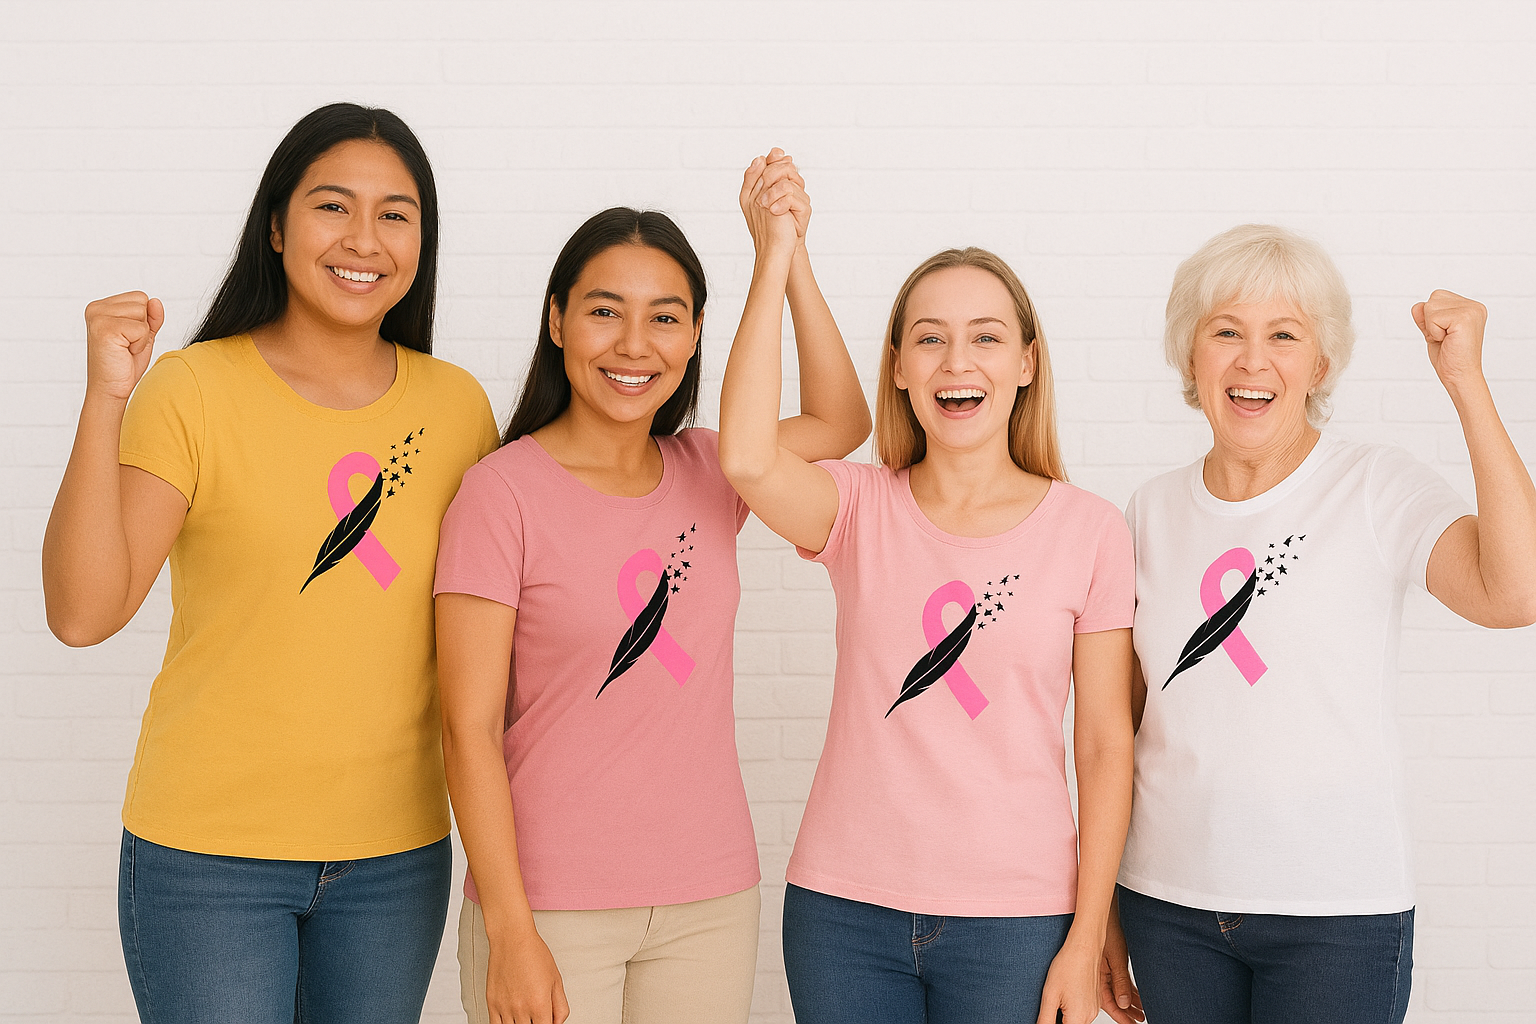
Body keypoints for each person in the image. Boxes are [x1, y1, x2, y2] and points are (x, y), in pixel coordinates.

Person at [41, 103, 499, 1024]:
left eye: (395, 214)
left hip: (395, 861)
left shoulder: (458, 410)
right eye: (333, 206)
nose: (363, 239)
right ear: (278, 226)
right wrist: (105, 399)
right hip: (208, 861)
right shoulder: (193, 389)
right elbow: (84, 613)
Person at [433, 160, 871, 1024]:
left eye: (665, 318)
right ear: (556, 320)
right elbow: (467, 729)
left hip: (709, 899)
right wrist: (512, 931)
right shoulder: (499, 493)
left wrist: (783, 254)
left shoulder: (711, 467)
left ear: (696, 335)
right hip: (550, 906)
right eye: (605, 312)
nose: (635, 345)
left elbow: (841, 420)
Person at [718, 153, 1136, 1024]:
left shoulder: (1090, 529)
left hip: (1019, 920)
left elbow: (1104, 746)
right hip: (842, 914)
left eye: (986, 336)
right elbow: (748, 457)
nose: (957, 360)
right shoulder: (856, 506)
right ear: (901, 366)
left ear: (1027, 362)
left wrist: (1090, 931)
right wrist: (780, 257)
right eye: (930, 337)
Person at [1100, 224, 1536, 1024]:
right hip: (1167, 907)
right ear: (1189, 355)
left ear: (1321, 364)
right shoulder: (1148, 511)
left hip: (1337, 918)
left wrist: (1466, 382)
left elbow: (1516, 593)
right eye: (1225, 331)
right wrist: (1099, 906)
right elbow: (1119, 726)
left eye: (1284, 335)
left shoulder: (1375, 487)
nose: (1252, 360)